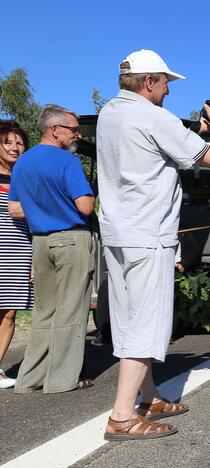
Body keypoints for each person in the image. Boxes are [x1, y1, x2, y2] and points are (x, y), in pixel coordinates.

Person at [96, 49, 210, 440]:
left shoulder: (110, 113)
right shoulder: (154, 116)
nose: (169, 90)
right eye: (166, 82)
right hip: (149, 233)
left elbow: (159, 153)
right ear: (149, 82)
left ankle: (149, 395)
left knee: (126, 317)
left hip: (119, 230)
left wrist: (198, 134)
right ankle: (122, 416)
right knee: (147, 321)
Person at [7, 106, 96, 393]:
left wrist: (41, 207)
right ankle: (62, 380)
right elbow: (85, 205)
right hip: (71, 239)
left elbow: (14, 209)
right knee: (71, 309)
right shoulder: (66, 161)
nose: (77, 134)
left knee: (45, 311)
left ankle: (30, 378)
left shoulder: (23, 163)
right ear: (55, 130)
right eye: (73, 129)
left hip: (40, 242)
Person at [0, 122, 33, 389]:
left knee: (9, 312)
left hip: (20, 248)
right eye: (8, 142)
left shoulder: (25, 177)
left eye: (19, 142)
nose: (14, 147)